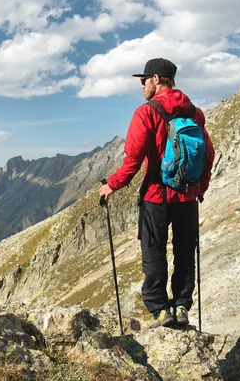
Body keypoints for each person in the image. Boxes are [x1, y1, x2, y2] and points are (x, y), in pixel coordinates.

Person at [99, 58, 215, 328]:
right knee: (185, 252)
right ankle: (182, 305)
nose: (141, 86)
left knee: (154, 251)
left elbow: (132, 161)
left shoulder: (146, 113)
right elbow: (207, 153)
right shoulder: (195, 113)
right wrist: (201, 187)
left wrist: (111, 185)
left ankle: (160, 310)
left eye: (143, 81)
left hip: (156, 196)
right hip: (188, 196)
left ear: (155, 79)